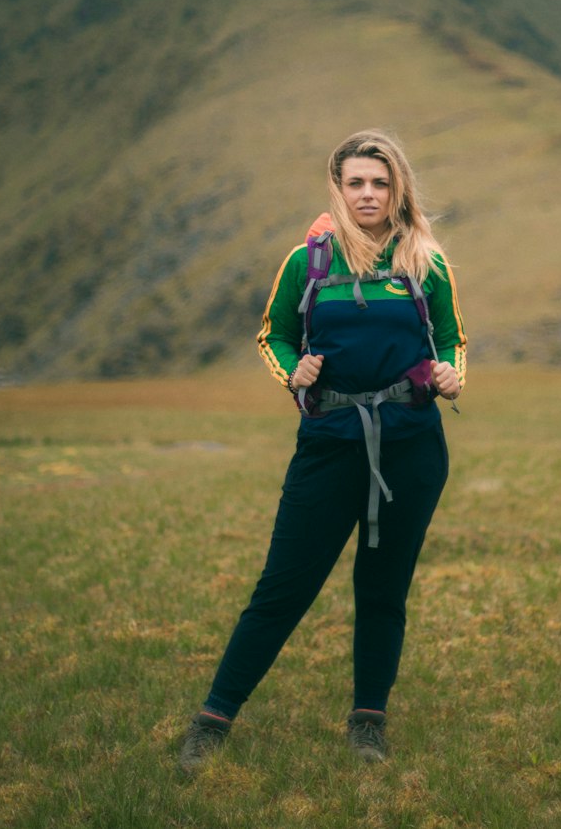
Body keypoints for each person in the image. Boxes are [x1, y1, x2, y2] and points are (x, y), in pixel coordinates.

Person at [179, 130, 467, 770]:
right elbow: (273, 334)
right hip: (330, 441)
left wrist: (451, 374)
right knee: (283, 586)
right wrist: (294, 373)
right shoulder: (305, 261)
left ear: (398, 189)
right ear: (337, 189)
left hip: (413, 446)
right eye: (356, 183)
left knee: (383, 588)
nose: (368, 194)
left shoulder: (426, 261)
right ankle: (212, 721)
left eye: (380, 182)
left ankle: (369, 724)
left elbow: (452, 339)